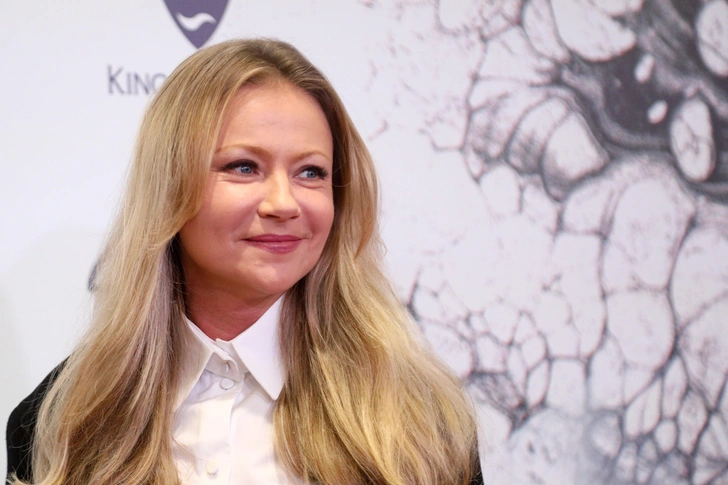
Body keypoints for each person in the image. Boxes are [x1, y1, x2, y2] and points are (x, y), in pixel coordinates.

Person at [6, 38, 482, 485]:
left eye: (310, 172)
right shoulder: (59, 421)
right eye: (243, 167)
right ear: (170, 185)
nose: (284, 203)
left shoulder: (420, 418)